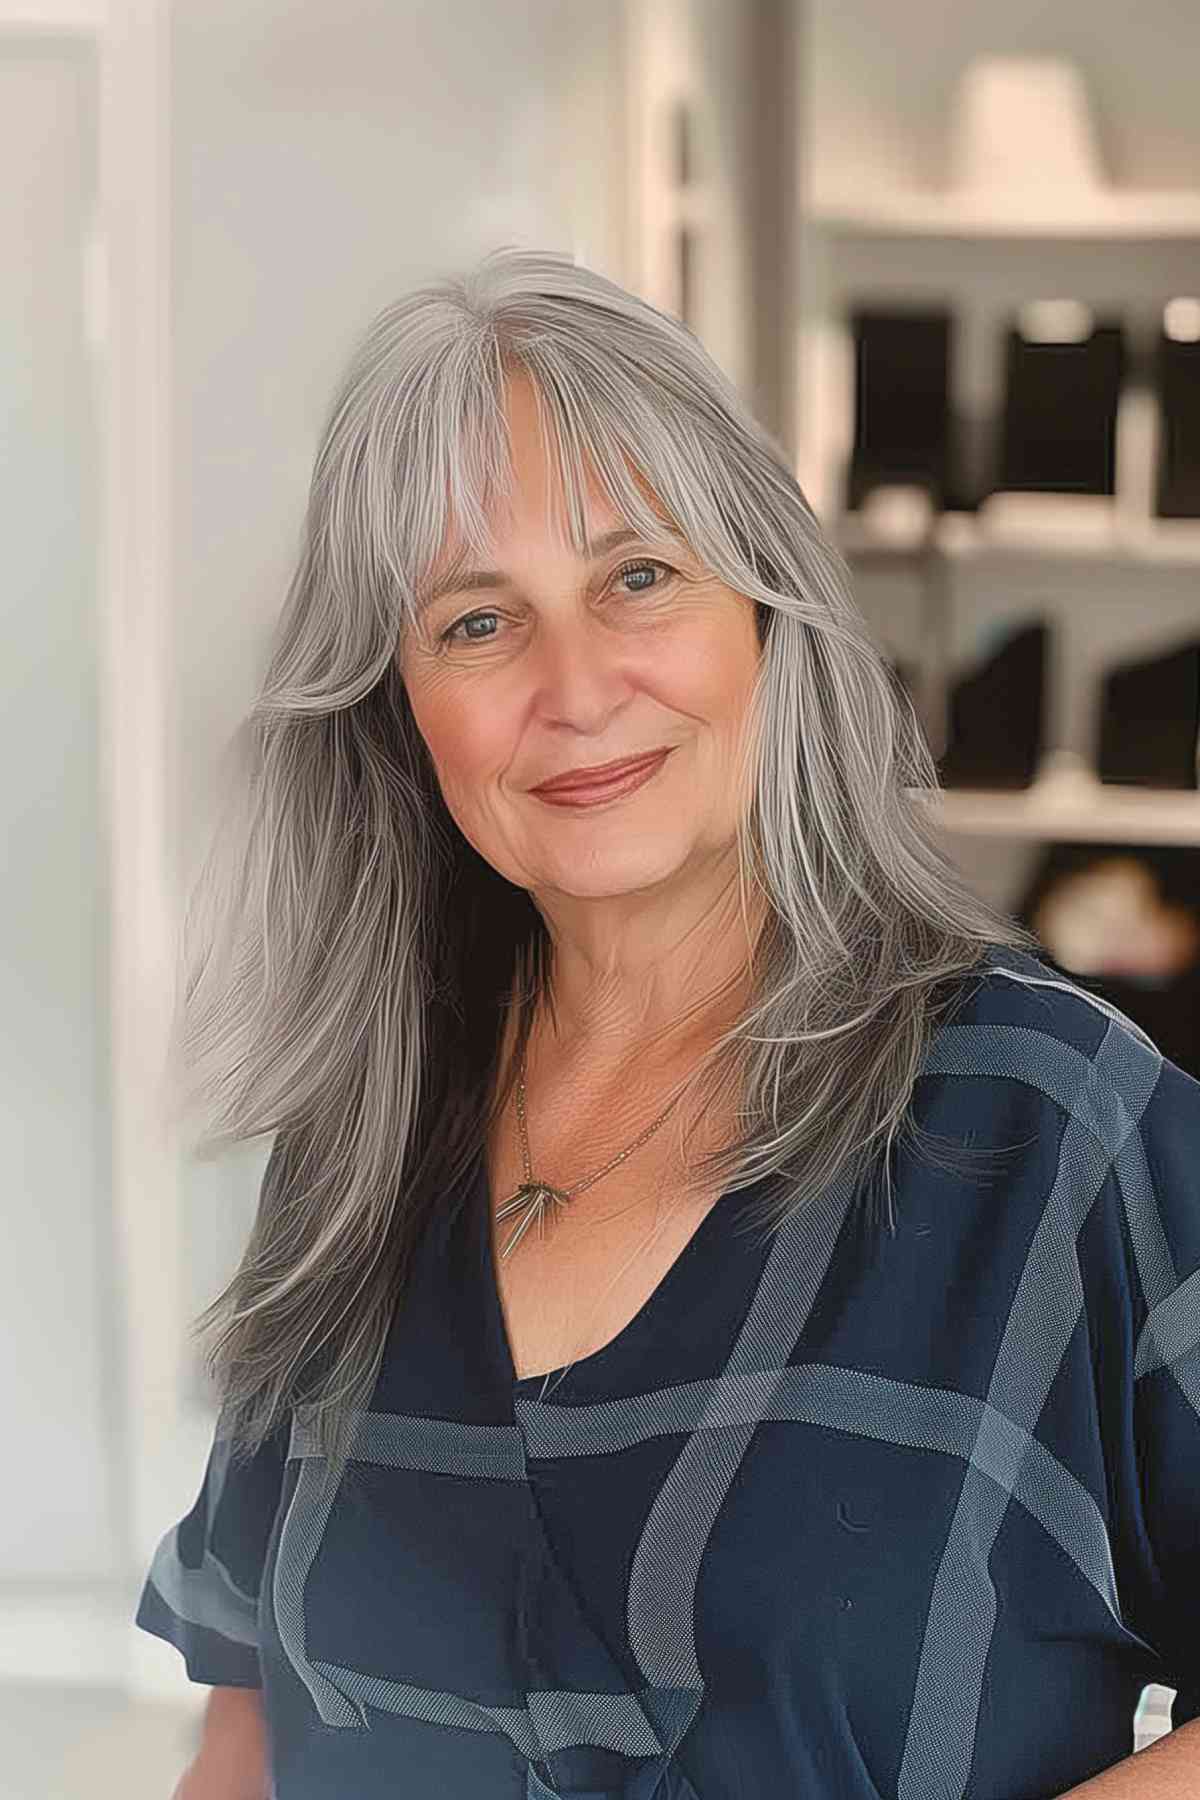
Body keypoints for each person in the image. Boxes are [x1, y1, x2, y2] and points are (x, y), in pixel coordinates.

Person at [135, 248, 1200, 1800]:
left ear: (768, 613)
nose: (575, 689)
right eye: (478, 623)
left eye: (638, 578)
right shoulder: (361, 1137)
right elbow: (251, 1723)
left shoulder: (1057, 1126)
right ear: (395, 705)